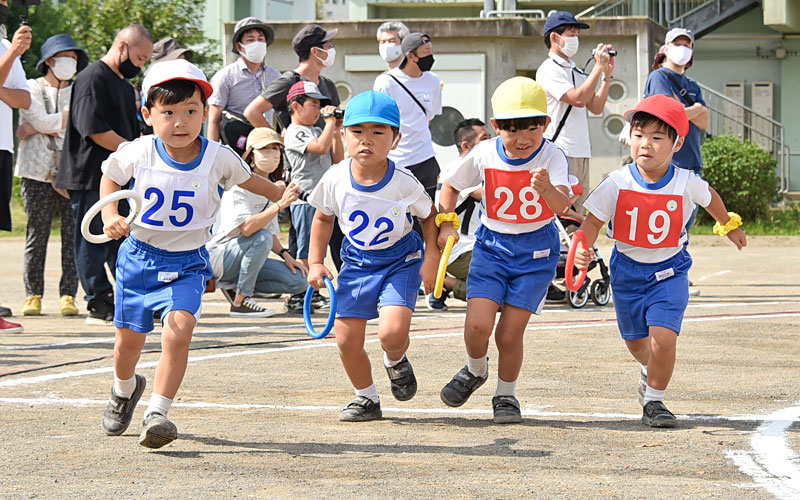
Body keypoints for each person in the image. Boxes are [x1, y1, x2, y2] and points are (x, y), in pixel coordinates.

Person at [98, 59, 286, 448]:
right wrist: (111, 213)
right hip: (138, 259)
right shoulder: (140, 151)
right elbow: (111, 176)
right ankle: (123, 390)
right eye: (169, 112)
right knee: (127, 344)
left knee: (179, 332)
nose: (180, 122)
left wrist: (287, 193)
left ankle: (158, 413)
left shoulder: (218, 156)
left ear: (205, 113)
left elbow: (254, 182)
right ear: (147, 115)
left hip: (187, 262)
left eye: (191, 111)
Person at [574, 94, 746, 427]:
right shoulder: (617, 182)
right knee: (639, 345)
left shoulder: (685, 181)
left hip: (670, 271)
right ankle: (648, 370)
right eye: (638, 136)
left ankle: (655, 401)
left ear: (677, 143)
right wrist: (582, 248)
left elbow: (711, 199)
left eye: (656, 138)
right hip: (626, 273)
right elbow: (591, 223)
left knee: (663, 339)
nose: (646, 145)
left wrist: (729, 226)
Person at [437, 77, 571, 424]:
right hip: (491, 248)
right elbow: (450, 184)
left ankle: (506, 394)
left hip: (537, 252)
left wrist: (546, 190)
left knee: (509, 333)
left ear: (546, 123)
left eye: (532, 127)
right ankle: (474, 370)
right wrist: (447, 221)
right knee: (477, 325)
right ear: (496, 127)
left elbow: (563, 204)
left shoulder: (553, 155)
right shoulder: (484, 153)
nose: (523, 138)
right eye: (512, 129)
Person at [306, 90, 440, 422]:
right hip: (356, 264)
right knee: (346, 339)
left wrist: (432, 258)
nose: (367, 140)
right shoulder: (335, 178)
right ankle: (366, 398)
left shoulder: (405, 182)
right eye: (357, 131)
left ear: (396, 139)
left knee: (391, 334)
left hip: (401, 262)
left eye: (378, 132)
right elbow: (322, 218)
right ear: (343, 135)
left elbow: (429, 216)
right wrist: (315, 261)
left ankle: (395, 360)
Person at [55, 24, 154, 325]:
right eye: (139, 58)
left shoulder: (124, 85)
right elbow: (93, 129)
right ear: (123, 46)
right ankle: (97, 301)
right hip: (89, 174)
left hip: (120, 178)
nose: (141, 65)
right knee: (93, 241)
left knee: (120, 238)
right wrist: (131, 151)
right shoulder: (91, 78)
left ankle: (124, 297)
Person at [242, 24, 345, 272]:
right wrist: (279, 140)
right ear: (315, 50)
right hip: (304, 175)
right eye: (328, 45)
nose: (332, 49)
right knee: (306, 243)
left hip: (327, 170)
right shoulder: (289, 80)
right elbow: (252, 111)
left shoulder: (327, 85)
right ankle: (301, 291)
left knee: (335, 239)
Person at [15, 34, 88, 317]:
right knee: (37, 234)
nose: (70, 63)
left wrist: (38, 127)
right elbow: (40, 120)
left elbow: (79, 125)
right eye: (64, 57)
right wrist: (56, 122)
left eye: (73, 58)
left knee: (72, 236)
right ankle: (33, 294)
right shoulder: (30, 87)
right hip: (35, 172)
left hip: (71, 172)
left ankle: (68, 294)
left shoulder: (80, 89)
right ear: (48, 61)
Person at [208, 127, 309, 316]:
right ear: (251, 155)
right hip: (219, 256)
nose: (271, 154)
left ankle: (235, 287)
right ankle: (241, 301)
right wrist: (280, 204)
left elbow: (270, 231)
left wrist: (287, 255)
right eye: (264, 149)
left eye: (275, 148)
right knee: (260, 237)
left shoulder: (273, 185)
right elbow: (247, 229)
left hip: (246, 252)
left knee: (299, 280)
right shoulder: (238, 185)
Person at [536, 11, 614, 214]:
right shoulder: (548, 69)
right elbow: (577, 99)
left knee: (578, 211)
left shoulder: (576, 71)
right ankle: (561, 247)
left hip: (581, 150)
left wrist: (607, 76)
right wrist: (598, 68)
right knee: (561, 210)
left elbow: (595, 107)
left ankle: (575, 245)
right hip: (560, 150)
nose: (575, 40)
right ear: (555, 37)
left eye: (577, 36)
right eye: (571, 35)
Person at [644, 28, 709, 232]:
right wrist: (696, 109)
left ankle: (678, 265)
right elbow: (666, 114)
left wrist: (684, 109)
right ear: (666, 48)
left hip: (692, 161)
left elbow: (705, 122)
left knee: (684, 229)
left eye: (686, 45)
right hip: (668, 162)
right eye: (677, 44)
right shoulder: (659, 77)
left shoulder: (692, 85)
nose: (682, 49)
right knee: (664, 227)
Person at [427, 118, 491, 311]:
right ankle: (445, 283)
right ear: (466, 145)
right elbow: (493, 193)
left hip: (477, 246)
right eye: (485, 138)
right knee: (501, 296)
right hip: (459, 249)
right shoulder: (461, 169)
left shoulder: (472, 166)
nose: (492, 143)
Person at [373, 32, 442, 202]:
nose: (430, 57)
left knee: (427, 213)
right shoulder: (385, 82)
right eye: (426, 52)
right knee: (397, 213)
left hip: (425, 157)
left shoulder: (433, 81)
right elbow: (377, 121)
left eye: (431, 51)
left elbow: (429, 117)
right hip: (396, 159)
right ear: (411, 56)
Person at [284, 80, 343, 272]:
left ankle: (311, 291)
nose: (318, 111)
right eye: (314, 106)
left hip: (323, 200)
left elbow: (338, 159)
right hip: (306, 200)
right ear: (296, 106)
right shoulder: (294, 132)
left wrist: (335, 130)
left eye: (320, 107)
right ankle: (303, 292)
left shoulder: (318, 130)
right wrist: (330, 123)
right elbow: (319, 148)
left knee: (324, 248)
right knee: (307, 251)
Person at [0, 1, 30, 331]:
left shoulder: (7, 45)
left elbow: (24, 99)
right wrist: (12, 56)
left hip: (3, 145)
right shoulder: (10, 50)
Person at [208, 17, 279, 150]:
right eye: (250, 40)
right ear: (239, 46)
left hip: (267, 146)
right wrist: (213, 153)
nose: (257, 43)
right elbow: (214, 119)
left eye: (261, 39)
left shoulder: (275, 76)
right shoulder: (225, 76)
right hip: (236, 147)